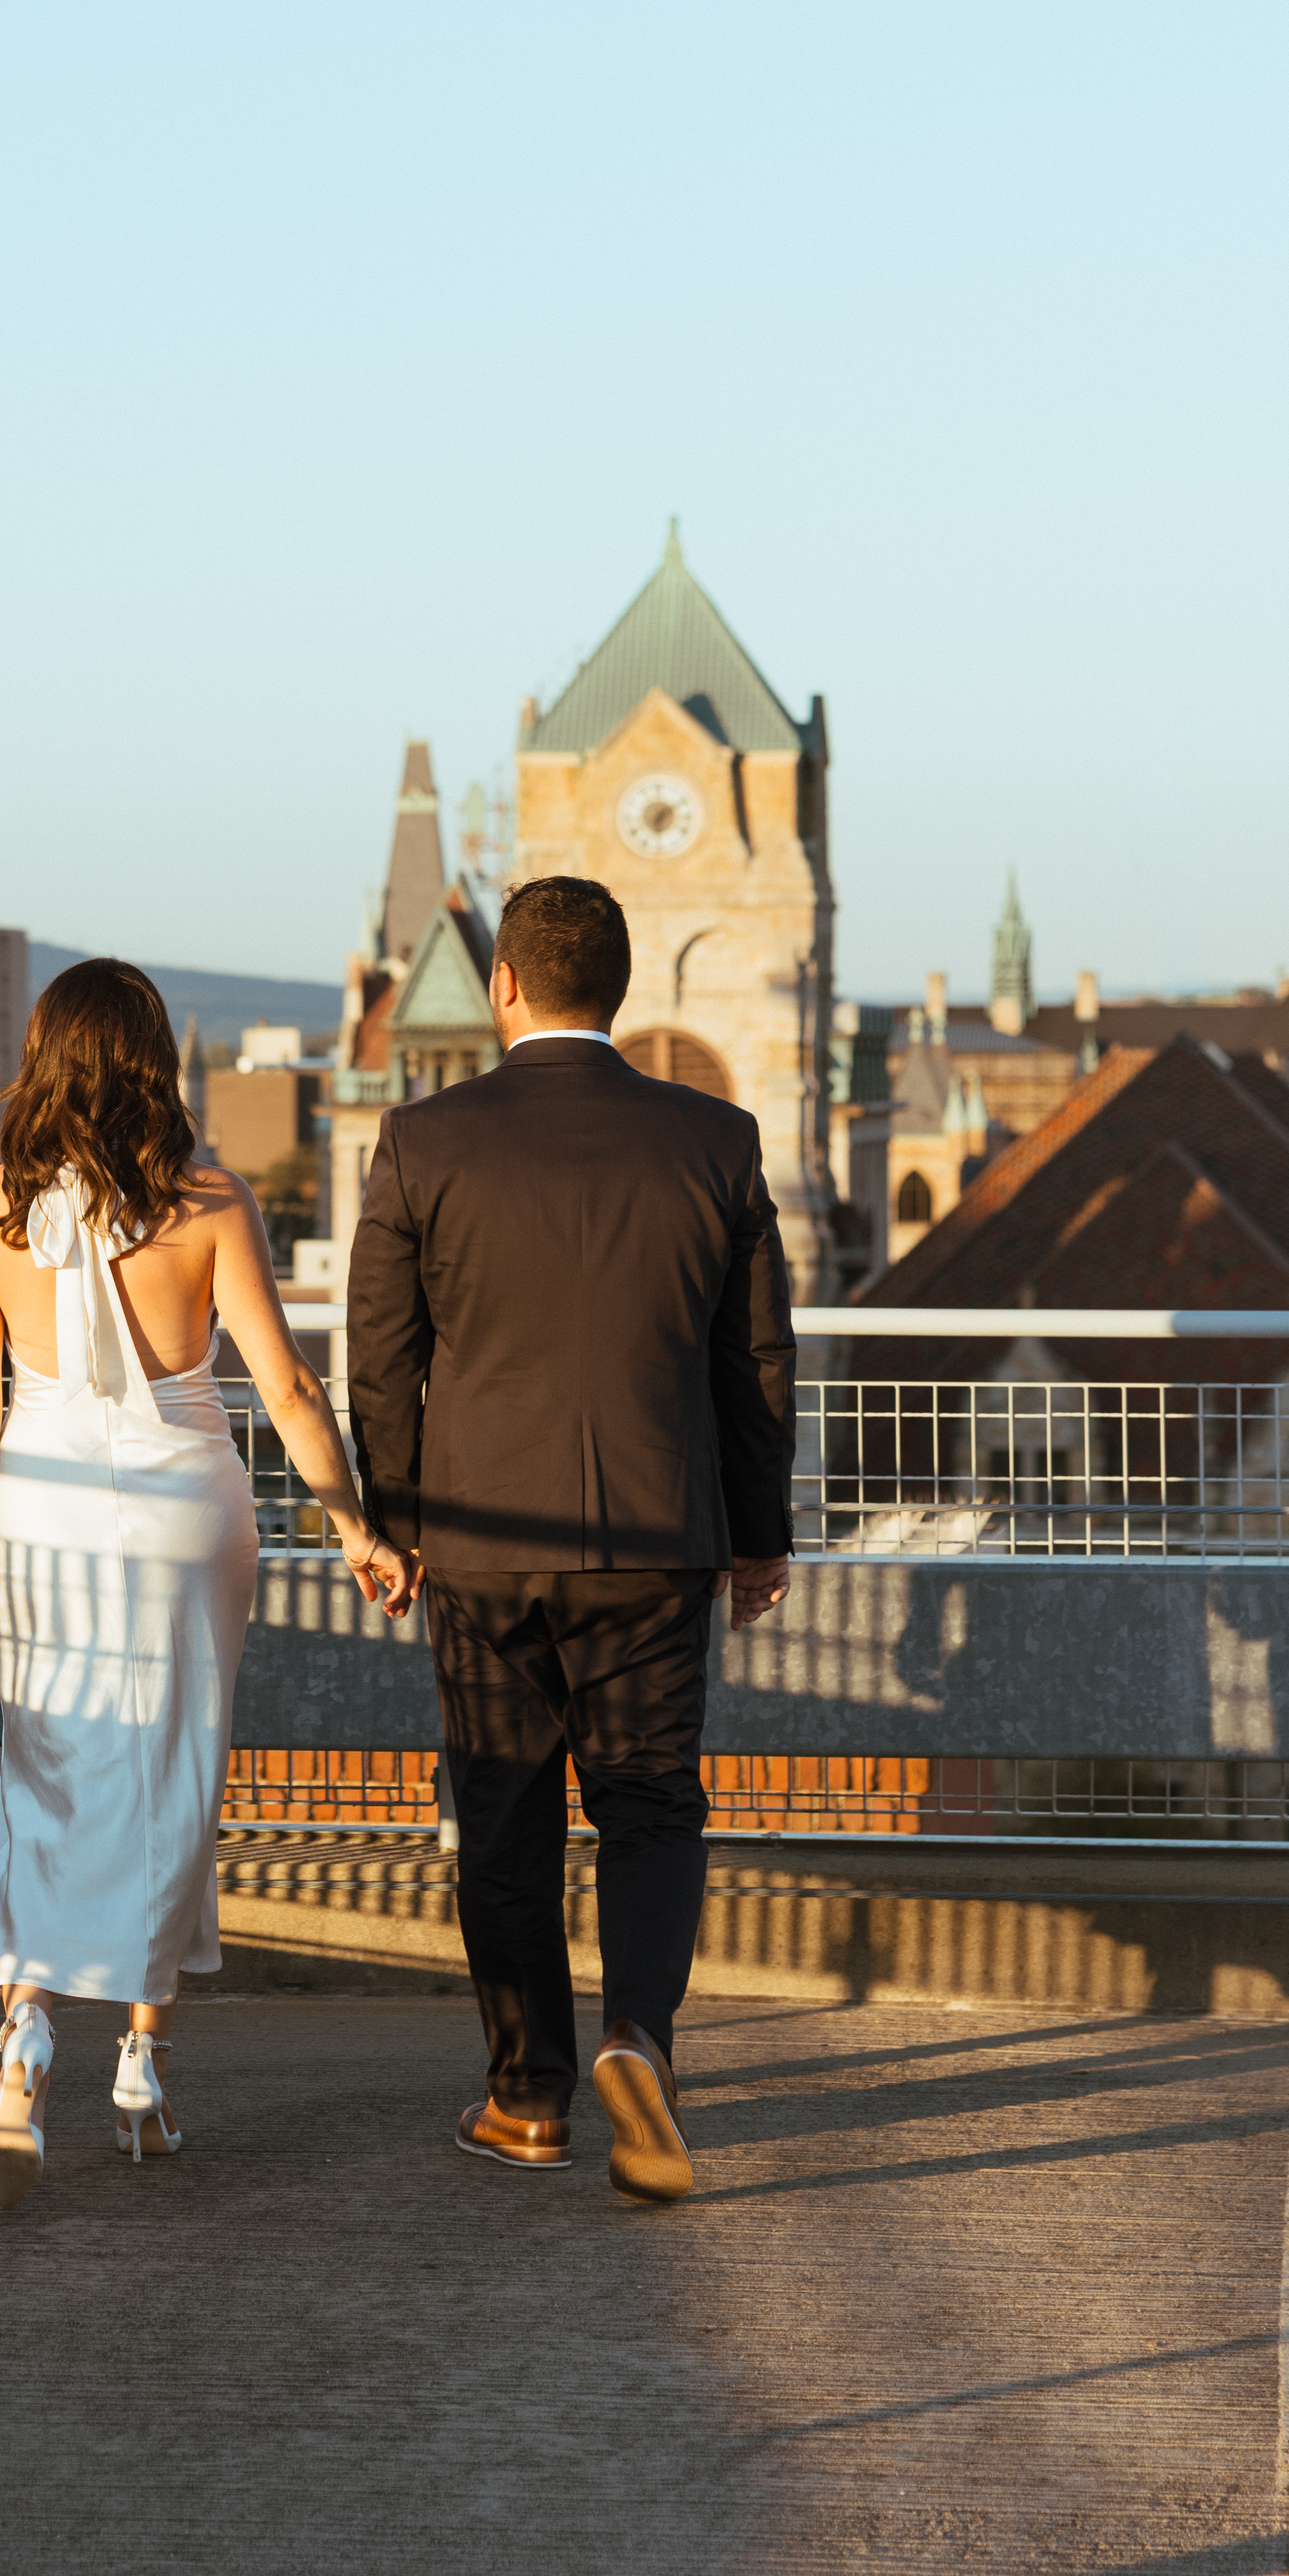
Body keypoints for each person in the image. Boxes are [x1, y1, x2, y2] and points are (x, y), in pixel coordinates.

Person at [345, 874, 795, 2201]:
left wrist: (400, 1519)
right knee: (650, 1803)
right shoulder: (714, 1139)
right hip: (659, 1532)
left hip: (481, 1541)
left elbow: (380, 1358)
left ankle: (526, 2097)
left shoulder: (422, 1140)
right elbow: (756, 1358)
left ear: (502, 984)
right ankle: (640, 2044)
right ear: (622, 986)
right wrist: (757, 1536)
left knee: (504, 1813)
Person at [0, 959, 409, 2202]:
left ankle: (24, 2039)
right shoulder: (207, 1202)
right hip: (186, 1507)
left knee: (42, 1764)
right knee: (172, 1767)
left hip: (37, 1509)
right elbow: (289, 1387)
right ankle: (141, 2064)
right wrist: (353, 1525)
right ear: (155, 1061)